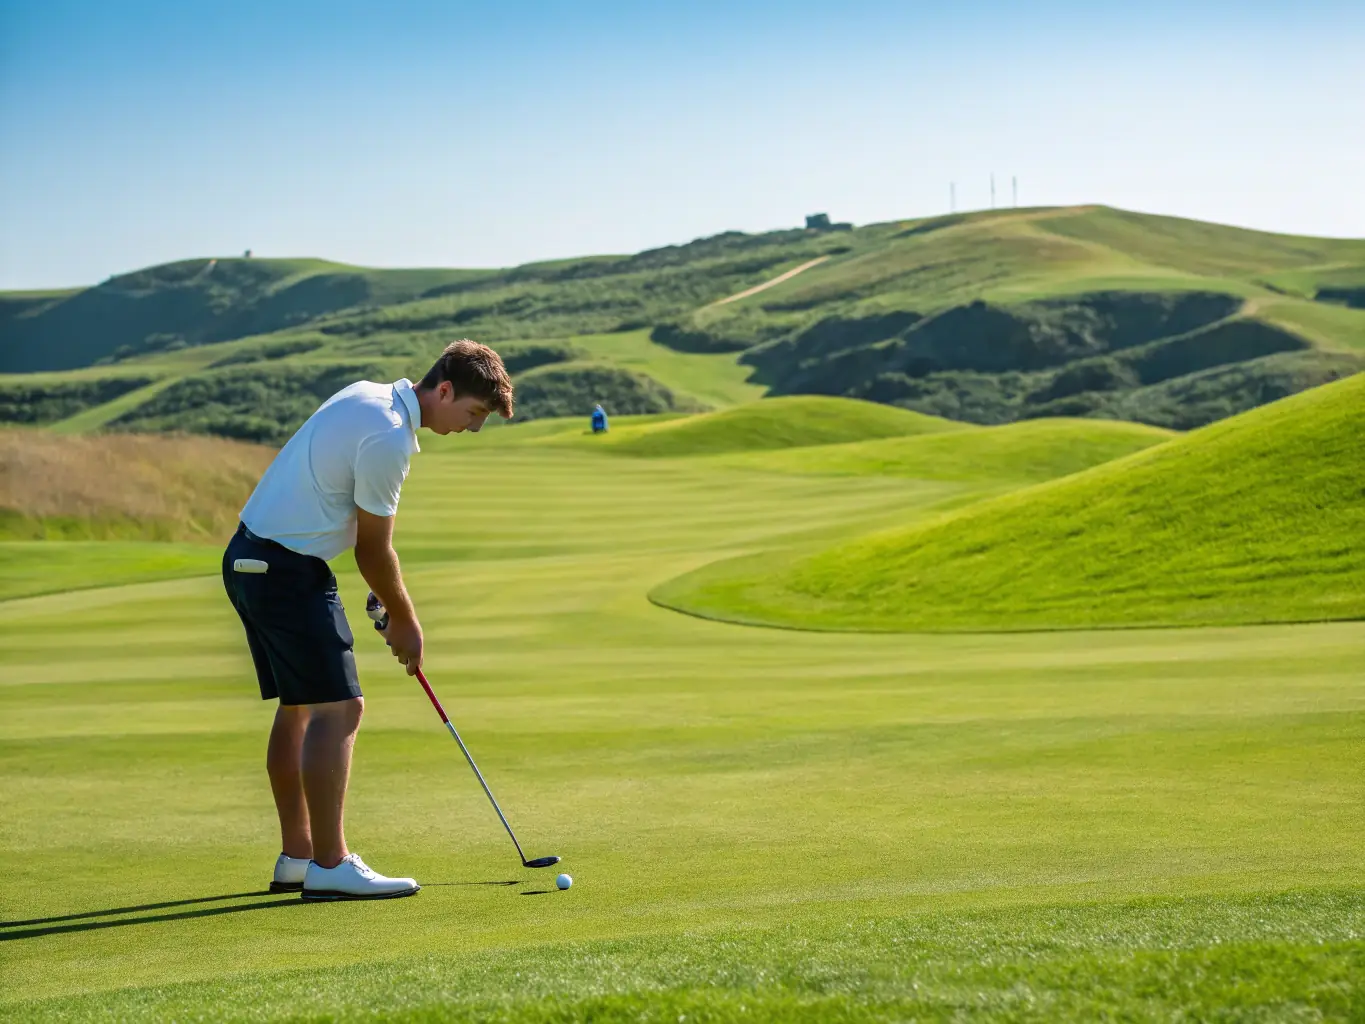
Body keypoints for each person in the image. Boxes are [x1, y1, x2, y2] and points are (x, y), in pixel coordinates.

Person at [221, 340, 513, 901]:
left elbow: (338, 512)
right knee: (342, 707)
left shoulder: (370, 397)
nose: (473, 429)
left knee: (301, 707)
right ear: (445, 390)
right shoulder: (389, 437)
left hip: (251, 559)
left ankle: (297, 857)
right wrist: (407, 622)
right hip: (285, 570)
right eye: (474, 414)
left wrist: (379, 602)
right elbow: (374, 551)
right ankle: (330, 865)